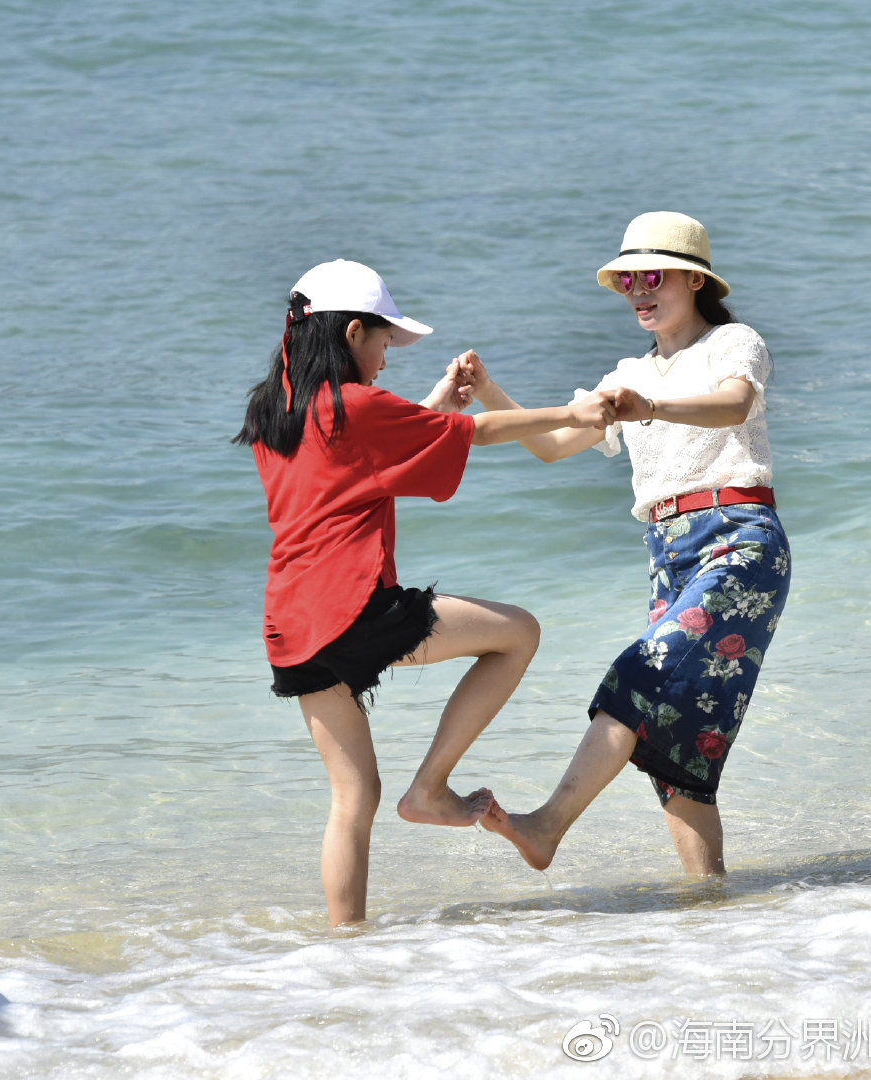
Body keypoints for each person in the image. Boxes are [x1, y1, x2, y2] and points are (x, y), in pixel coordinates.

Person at [234, 258, 614, 926]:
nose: (387, 357)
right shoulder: (355, 405)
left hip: (290, 629)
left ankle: (345, 943)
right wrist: (572, 410)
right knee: (518, 633)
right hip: (353, 610)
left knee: (353, 796)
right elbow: (477, 433)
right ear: (353, 333)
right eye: (384, 342)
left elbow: (367, 457)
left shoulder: (277, 413)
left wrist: (437, 404)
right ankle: (432, 786)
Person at [471, 211, 791, 876]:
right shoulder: (626, 371)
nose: (637, 291)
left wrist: (651, 406)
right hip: (667, 557)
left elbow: (734, 405)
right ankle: (708, 905)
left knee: (639, 677)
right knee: (680, 750)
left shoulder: (733, 344)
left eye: (651, 276)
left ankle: (546, 826)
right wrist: (485, 390)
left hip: (739, 543)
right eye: (626, 282)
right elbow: (553, 446)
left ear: (694, 281)